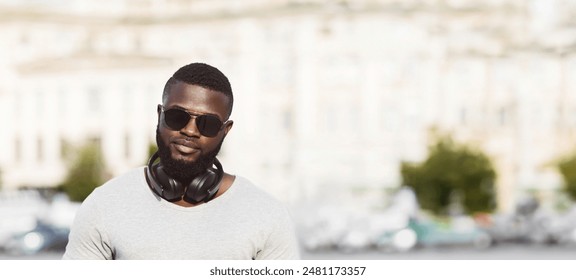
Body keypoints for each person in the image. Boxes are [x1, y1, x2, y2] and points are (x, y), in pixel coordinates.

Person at [63, 62, 301, 260]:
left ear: (225, 131)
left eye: (207, 124)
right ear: (160, 116)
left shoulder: (266, 215)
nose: (189, 130)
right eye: (178, 117)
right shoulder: (104, 206)